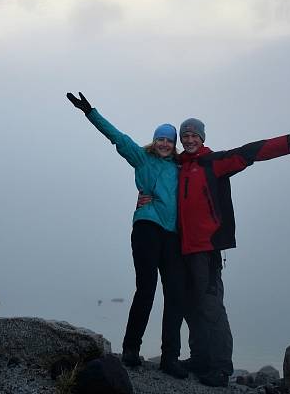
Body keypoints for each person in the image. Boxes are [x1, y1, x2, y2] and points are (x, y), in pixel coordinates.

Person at [176, 117, 290, 387]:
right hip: (182, 249)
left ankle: (221, 368)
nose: (189, 139)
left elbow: (250, 152)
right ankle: (199, 358)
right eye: (185, 135)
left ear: (202, 138)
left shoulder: (215, 162)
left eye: (194, 135)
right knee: (190, 306)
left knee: (212, 309)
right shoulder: (179, 166)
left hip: (206, 249)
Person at [67, 91, 188, 378]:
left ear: (174, 145)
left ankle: (170, 357)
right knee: (146, 288)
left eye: (169, 140)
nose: (164, 144)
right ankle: (131, 348)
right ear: (155, 141)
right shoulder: (142, 159)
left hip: (172, 236)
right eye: (161, 139)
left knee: (175, 294)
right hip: (146, 227)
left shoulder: (182, 168)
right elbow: (118, 137)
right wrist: (90, 112)